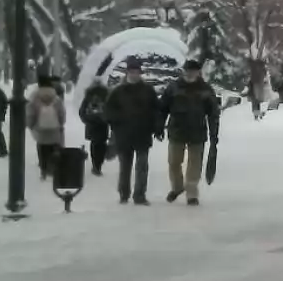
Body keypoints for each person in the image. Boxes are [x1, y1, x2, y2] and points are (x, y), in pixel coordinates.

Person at [159, 59, 220, 206]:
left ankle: (192, 193)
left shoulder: (205, 89)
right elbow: (162, 109)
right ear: (183, 71)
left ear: (198, 72)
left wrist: (214, 134)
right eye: (188, 70)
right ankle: (177, 187)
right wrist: (158, 126)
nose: (190, 73)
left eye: (193, 71)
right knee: (174, 162)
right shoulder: (173, 88)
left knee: (195, 164)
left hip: (197, 131)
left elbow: (213, 114)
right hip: (176, 130)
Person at [105, 57, 161, 205]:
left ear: (140, 73)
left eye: (136, 72)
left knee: (142, 166)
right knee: (125, 167)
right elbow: (108, 111)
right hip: (124, 135)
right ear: (127, 72)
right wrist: (118, 121)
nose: (134, 74)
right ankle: (124, 194)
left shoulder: (148, 90)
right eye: (131, 71)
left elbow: (156, 110)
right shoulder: (118, 91)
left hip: (143, 134)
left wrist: (156, 126)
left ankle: (140, 195)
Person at [26, 76, 65, 180]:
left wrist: (31, 124)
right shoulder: (56, 97)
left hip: (41, 129)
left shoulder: (35, 96)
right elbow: (61, 113)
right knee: (54, 148)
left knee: (42, 149)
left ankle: (43, 171)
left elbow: (30, 112)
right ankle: (54, 170)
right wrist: (61, 124)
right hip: (54, 128)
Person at [79, 77, 111, 177]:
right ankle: (97, 165)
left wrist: (87, 120)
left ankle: (96, 165)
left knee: (95, 145)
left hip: (92, 124)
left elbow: (82, 111)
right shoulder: (106, 95)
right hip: (102, 124)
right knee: (101, 145)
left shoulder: (88, 95)